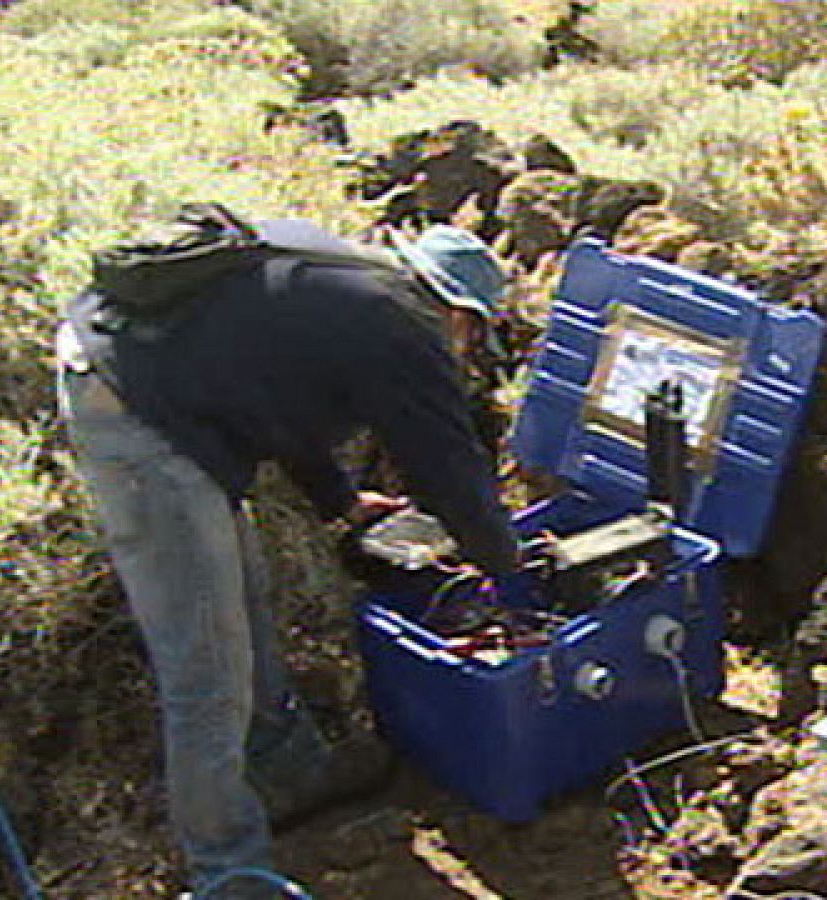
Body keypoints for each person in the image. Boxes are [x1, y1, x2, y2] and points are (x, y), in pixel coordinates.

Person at [55, 215, 521, 897]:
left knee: (241, 591)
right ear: (461, 313)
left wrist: (343, 500)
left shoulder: (344, 281)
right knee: (207, 664)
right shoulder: (402, 323)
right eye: (473, 333)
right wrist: (509, 569)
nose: (465, 348)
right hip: (131, 409)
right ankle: (229, 873)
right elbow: (444, 465)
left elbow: (274, 396)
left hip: (130, 369)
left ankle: (288, 769)